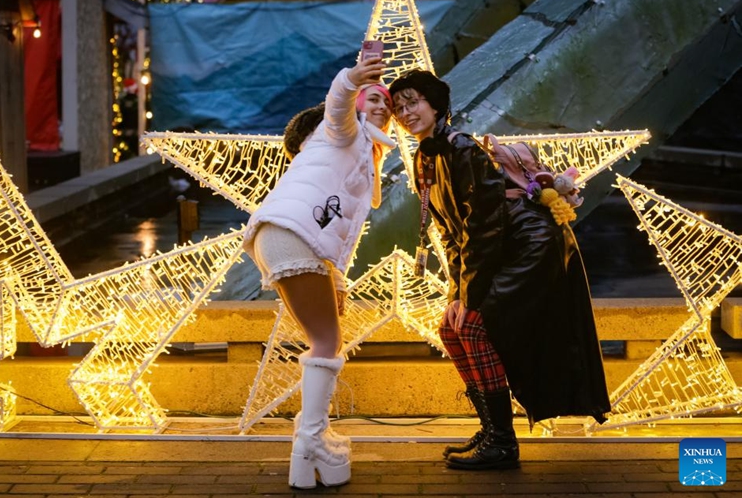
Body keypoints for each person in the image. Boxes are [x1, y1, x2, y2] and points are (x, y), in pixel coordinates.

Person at [388, 69, 610, 471]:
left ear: (435, 105)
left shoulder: (462, 148)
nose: (405, 113)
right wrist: (455, 294)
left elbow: (483, 226)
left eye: (413, 103)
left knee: (473, 325)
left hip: (531, 246)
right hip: (500, 248)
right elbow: (451, 233)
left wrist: (469, 297)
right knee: (450, 328)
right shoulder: (425, 157)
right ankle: (491, 430)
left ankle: (503, 443)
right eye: (398, 108)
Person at [243, 57, 395, 488]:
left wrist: (337, 279)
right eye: (373, 98)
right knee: (327, 342)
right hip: (291, 235)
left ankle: (311, 443)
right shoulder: (342, 131)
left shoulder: (360, 154)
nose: (382, 106)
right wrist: (353, 78)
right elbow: (337, 103)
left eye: (386, 103)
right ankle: (310, 441)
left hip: (282, 236)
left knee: (324, 340)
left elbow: (337, 229)